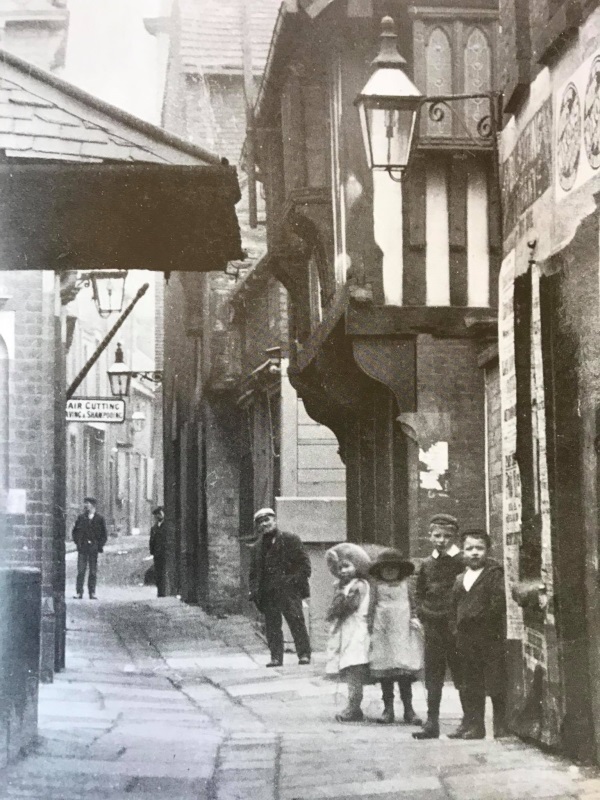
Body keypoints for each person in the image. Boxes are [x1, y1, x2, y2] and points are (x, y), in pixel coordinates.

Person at [413, 513, 466, 740]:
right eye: (437, 535)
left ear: (454, 537)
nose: (441, 540)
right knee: (433, 674)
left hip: (454, 626)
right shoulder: (426, 564)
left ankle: (468, 720)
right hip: (433, 625)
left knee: (461, 672)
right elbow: (419, 592)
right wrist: (423, 612)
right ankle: (432, 721)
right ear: (429, 536)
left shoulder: (461, 561)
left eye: (446, 536)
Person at [451, 529, 508, 740]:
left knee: (495, 683)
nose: (475, 553)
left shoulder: (494, 575)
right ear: (463, 552)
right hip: (466, 639)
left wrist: (479, 621)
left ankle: (501, 727)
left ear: (487, 550)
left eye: (479, 548)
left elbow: (497, 604)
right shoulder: (460, 578)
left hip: (488, 637)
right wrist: (456, 628)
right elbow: (454, 606)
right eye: (470, 548)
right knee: (471, 683)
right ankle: (475, 726)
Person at [248, 508, 312, 667]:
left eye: (267, 520)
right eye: (260, 522)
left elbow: (305, 566)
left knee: (296, 621)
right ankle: (276, 657)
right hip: (268, 593)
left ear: (275, 520)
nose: (264, 524)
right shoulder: (256, 547)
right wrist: (255, 592)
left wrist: (292, 582)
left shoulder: (290, 539)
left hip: (289, 591)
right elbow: (254, 573)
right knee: (272, 626)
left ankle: (304, 654)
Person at [368, 549, 423, 726]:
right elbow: (371, 608)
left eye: (394, 568)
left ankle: (409, 709)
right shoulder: (376, 587)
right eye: (385, 568)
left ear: (401, 569)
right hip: (383, 632)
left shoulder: (407, 585)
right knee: (386, 673)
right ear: (379, 570)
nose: (390, 571)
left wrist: (415, 618)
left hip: (403, 632)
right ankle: (388, 709)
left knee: (404, 672)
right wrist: (369, 629)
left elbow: (414, 605)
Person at [325, 543, 372, 723]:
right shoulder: (346, 584)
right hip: (349, 629)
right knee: (349, 666)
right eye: (339, 568)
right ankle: (353, 705)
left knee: (354, 667)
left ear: (357, 566)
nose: (343, 571)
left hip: (357, 630)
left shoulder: (358, 585)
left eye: (347, 566)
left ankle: (354, 706)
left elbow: (349, 606)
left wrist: (337, 603)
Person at [72, 497, 107, 600]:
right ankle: (79, 592)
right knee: (81, 571)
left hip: (93, 549)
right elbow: (75, 532)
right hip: (83, 548)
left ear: (92, 505)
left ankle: (92, 592)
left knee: (92, 571)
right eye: (85, 503)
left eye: (87, 503)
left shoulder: (99, 519)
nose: (85, 505)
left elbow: (104, 535)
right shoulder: (81, 518)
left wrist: (98, 546)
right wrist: (78, 543)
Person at [149, 506, 167, 597]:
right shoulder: (154, 528)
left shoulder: (167, 526)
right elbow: (151, 541)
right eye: (157, 515)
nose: (158, 516)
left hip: (165, 554)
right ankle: (160, 592)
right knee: (158, 574)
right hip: (157, 554)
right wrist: (152, 552)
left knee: (164, 573)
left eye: (160, 514)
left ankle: (164, 592)